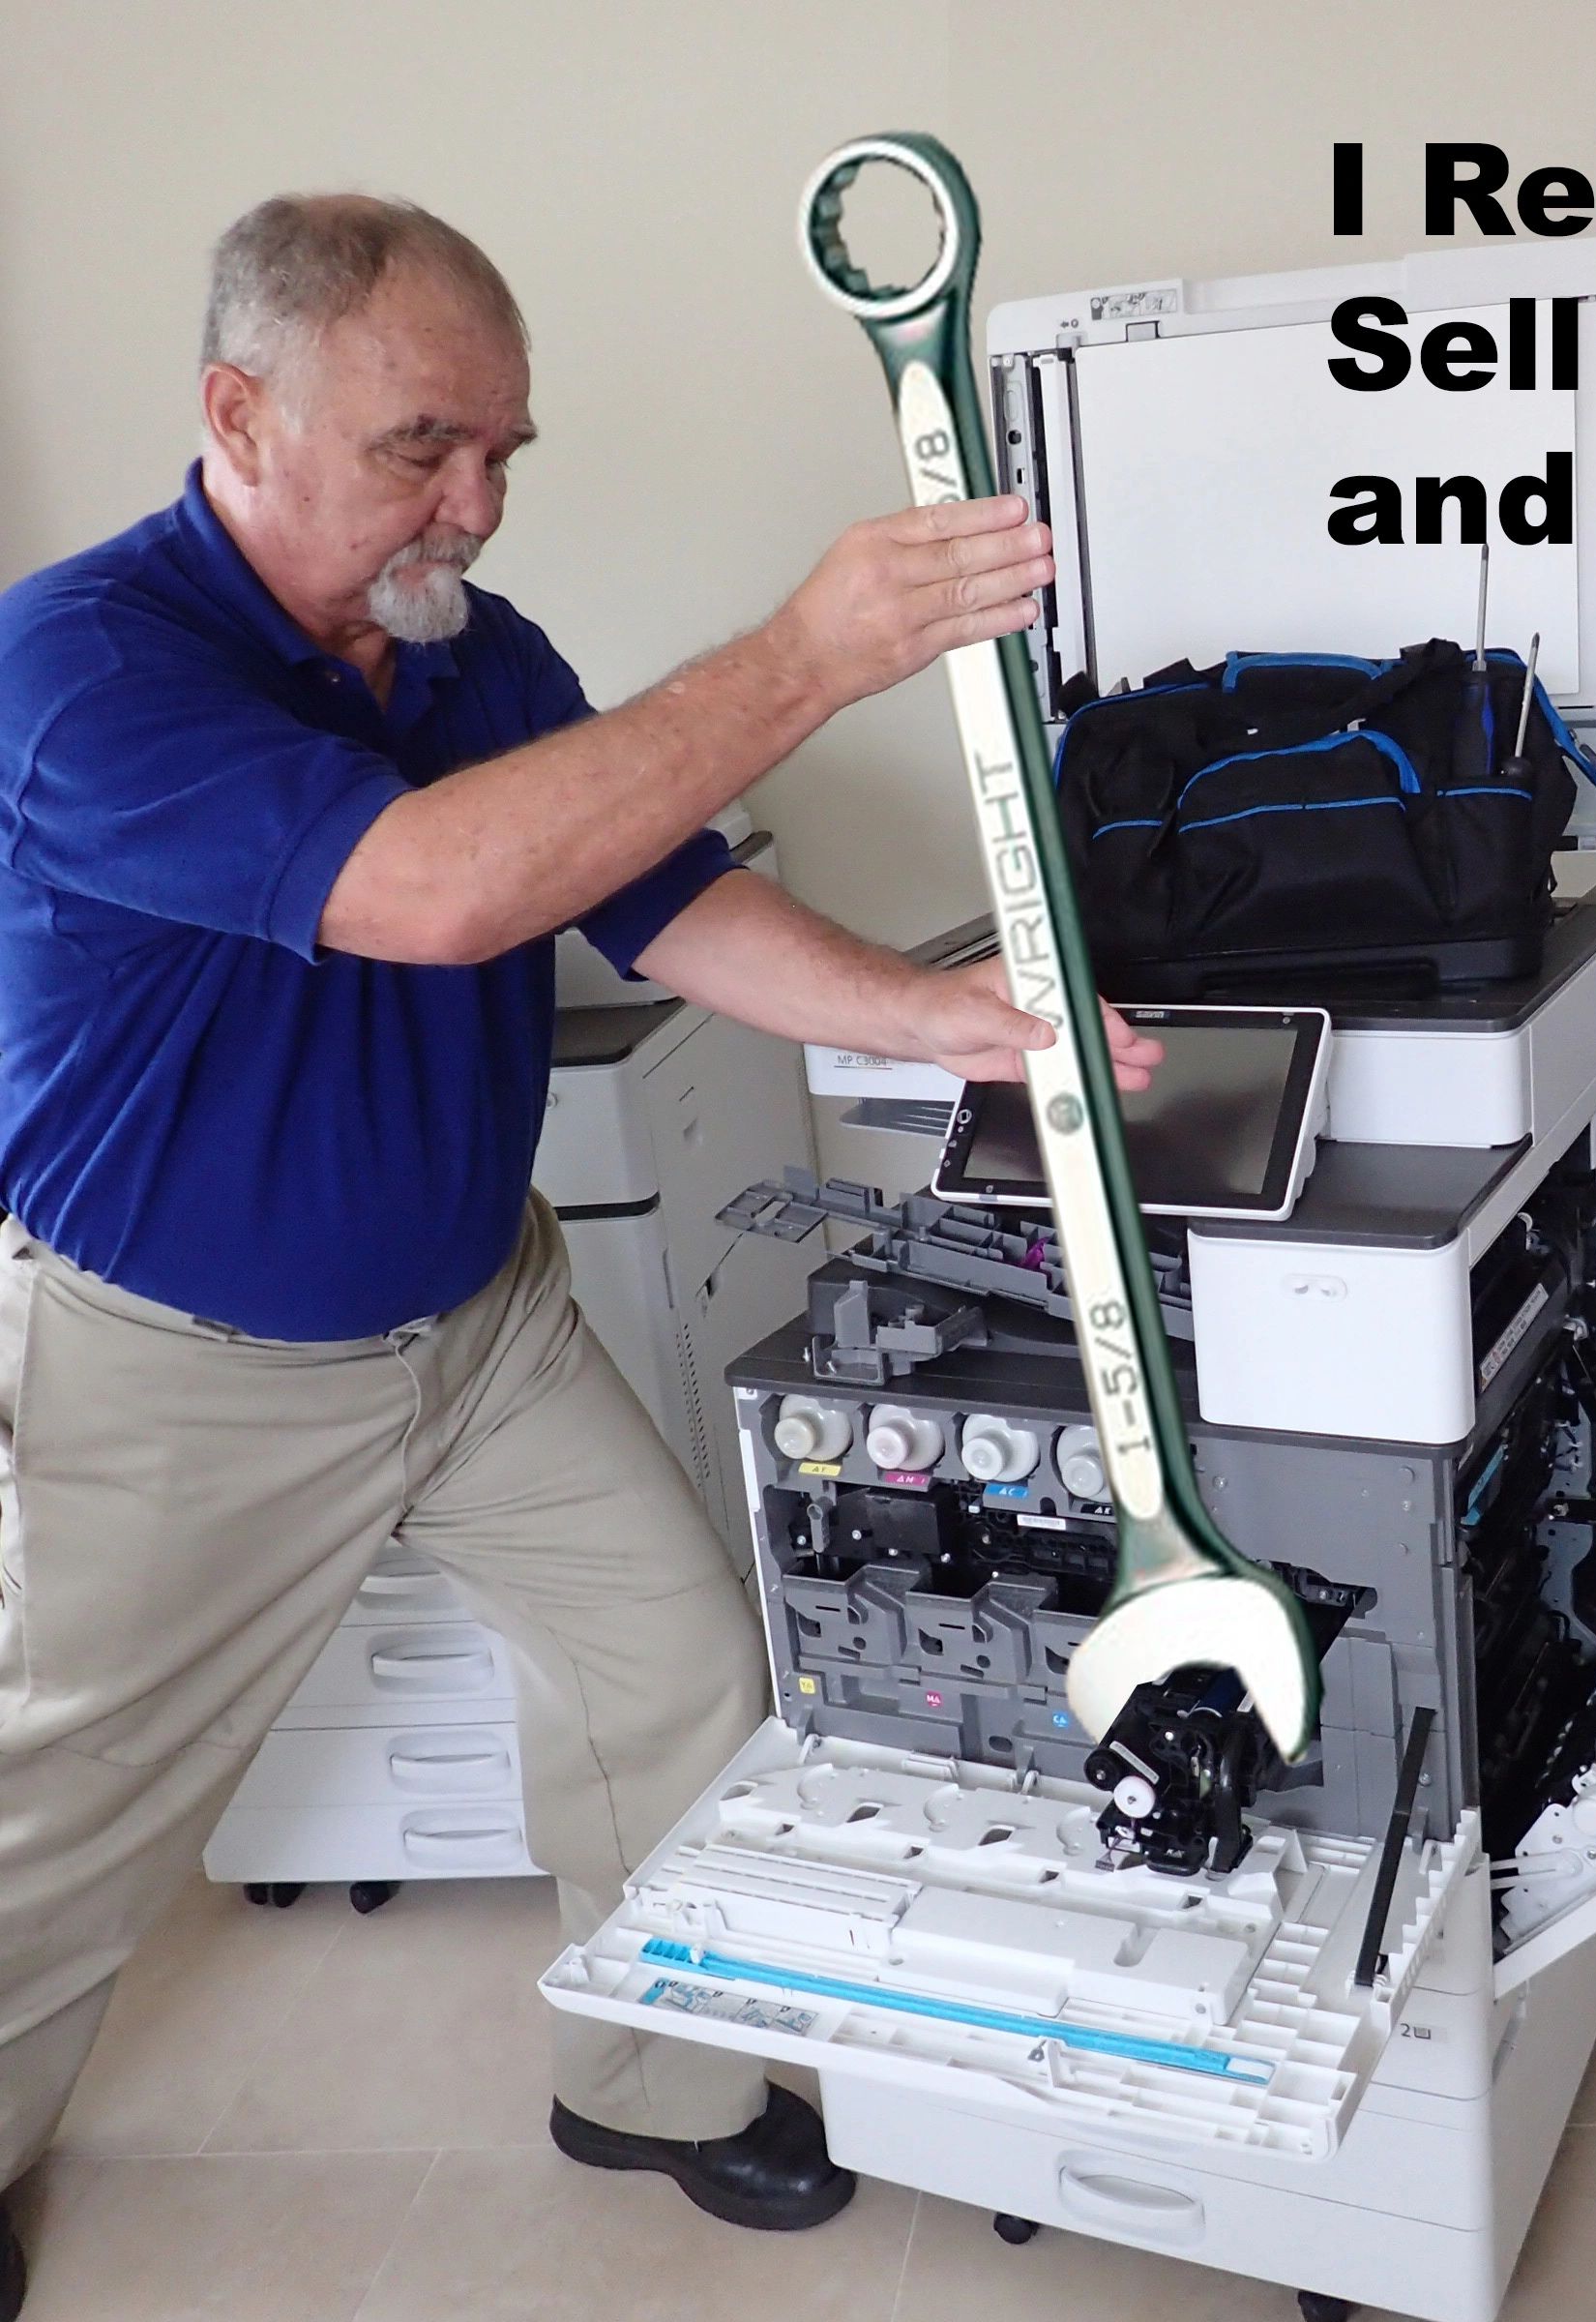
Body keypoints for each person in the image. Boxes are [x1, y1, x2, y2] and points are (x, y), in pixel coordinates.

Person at [0, 192, 1160, 2313]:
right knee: (54, 1822)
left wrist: (950, 1016)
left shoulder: (464, 643)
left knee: (679, 1675)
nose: (477, 499)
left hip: (481, 1312)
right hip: (193, 1365)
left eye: (506, 452)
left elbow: (660, 896)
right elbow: (433, 889)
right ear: (235, 413)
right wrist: (812, 649)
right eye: (422, 447)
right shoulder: (78, 666)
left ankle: (651, 2083)